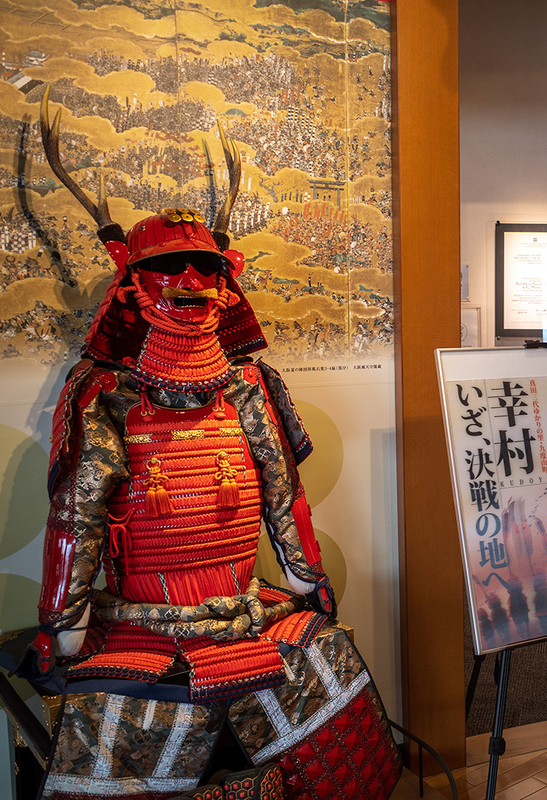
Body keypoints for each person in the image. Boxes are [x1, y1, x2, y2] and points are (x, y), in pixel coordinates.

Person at [22, 92, 400, 800]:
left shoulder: (249, 384)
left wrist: (306, 580)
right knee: (128, 739)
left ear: (226, 281)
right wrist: (61, 622)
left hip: (243, 605)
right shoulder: (105, 392)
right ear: (132, 286)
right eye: (172, 270)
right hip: (144, 617)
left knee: (332, 694)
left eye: (203, 267)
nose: (191, 284)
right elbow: (76, 513)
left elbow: (283, 492)